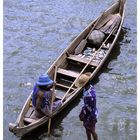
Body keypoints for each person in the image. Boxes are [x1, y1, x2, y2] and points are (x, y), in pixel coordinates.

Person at [75, 73, 98, 140]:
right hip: (87, 112)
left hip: (90, 115)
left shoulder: (90, 96)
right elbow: (86, 106)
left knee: (91, 130)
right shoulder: (89, 87)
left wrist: (84, 116)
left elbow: (89, 108)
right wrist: (82, 113)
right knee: (87, 128)